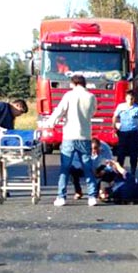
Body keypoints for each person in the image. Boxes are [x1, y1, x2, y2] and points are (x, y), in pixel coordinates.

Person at [46, 74, 98, 207]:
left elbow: (60, 111)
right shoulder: (91, 96)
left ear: (73, 83)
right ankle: (92, 197)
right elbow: (92, 112)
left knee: (65, 168)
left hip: (69, 135)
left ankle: (61, 197)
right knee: (87, 167)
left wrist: (50, 123)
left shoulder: (69, 95)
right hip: (85, 136)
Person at [111, 89, 138, 176]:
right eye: (129, 98)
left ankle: (133, 172)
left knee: (134, 154)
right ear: (126, 98)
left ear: (134, 99)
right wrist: (114, 127)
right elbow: (115, 117)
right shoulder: (121, 106)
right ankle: (119, 172)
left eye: (132, 99)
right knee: (121, 153)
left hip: (133, 133)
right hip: (123, 132)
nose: (130, 100)